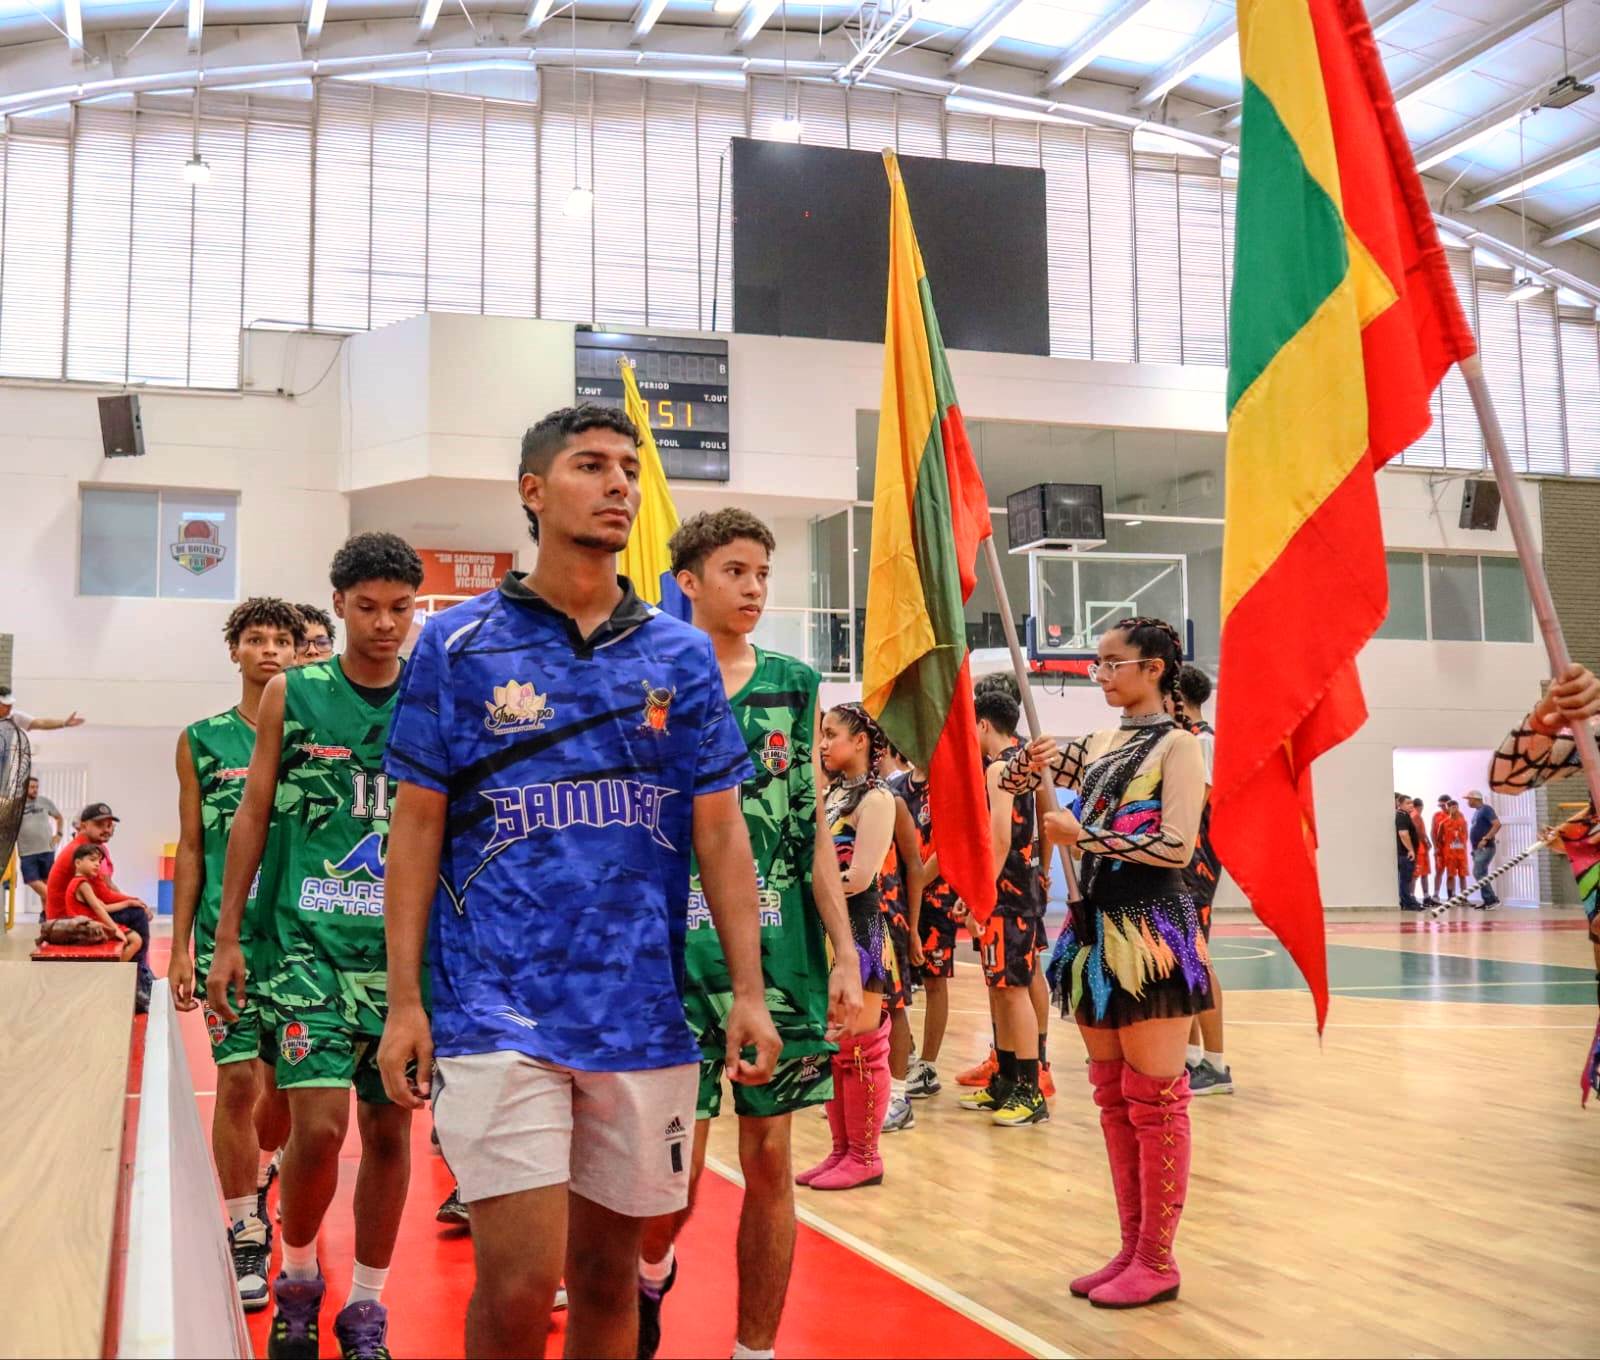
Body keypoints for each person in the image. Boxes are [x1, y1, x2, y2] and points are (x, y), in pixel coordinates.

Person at [374, 404, 781, 1360]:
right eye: (591, 465)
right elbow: (416, 828)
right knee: (519, 1286)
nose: (618, 486)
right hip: (494, 1009)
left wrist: (750, 990)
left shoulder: (679, 654)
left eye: (627, 469)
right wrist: (404, 1002)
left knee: (607, 1279)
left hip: (640, 1012)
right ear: (533, 490)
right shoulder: (456, 645)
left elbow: (721, 832)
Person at [635, 507, 862, 1360]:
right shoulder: (648, 682)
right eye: (736, 571)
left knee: (770, 1158)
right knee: (675, 1176)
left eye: (763, 573)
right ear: (688, 581)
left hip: (780, 961)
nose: (755, 588)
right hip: (669, 965)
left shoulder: (795, 686)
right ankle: (649, 1269)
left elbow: (810, 831)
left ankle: (754, 1350)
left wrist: (845, 952)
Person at [207, 532, 423, 1360]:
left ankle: (367, 1306)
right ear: (337, 605)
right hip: (305, 948)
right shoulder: (292, 693)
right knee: (322, 1127)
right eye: (367, 607)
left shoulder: (432, 697)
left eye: (400, 608)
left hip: (403, 957)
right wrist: (228, 934)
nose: (384, 623)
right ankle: (298, 1278)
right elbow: (253, 815)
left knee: (391, 1133)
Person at [1008, 616, 1209, 1308]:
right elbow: (1017, 781)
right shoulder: (1096, 743)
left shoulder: (1180, 746)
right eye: (1098, 663)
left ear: (1153, 668)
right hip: (1093, 930)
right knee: (1113, 1096)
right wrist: (1024, 763)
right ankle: (1130, 1247)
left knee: (1155, 1100)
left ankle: (1158, 1258)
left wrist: (1083, 835)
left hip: (1151, 930)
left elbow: (1178, 845)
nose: (1100, 675)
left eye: (1112, 663)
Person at [167, 597, 304, 1313]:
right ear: (235, 651)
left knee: (283, 1093)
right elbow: (192, 848)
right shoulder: (201, 739)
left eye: (282, 640)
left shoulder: (314, 736)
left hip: (302, 938)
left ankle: (262, 1165)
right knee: (237, 1080)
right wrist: (182, 945)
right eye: (256, 639)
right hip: (228, 941)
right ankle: (244, 1225)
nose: (270, 649)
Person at [803, 702, 898, 1192]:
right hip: (827, 932)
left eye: (831, 734)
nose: (823, 743)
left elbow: (860, 878)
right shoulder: (833, 794)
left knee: (860, 1048)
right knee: (836, 1047)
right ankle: (841, 1150)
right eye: (821, 734)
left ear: (860, 741)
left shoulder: (877, 800)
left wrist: (807, 889)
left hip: (859, 932)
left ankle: (865, 1156)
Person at [955, 687, 1049, 1127]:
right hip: (1016, 891)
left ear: (983, 724)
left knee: (1013, 991)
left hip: (1007, 896)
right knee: (1001, 990)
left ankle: (1030, 1091)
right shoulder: (1021, 763)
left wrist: (979, 894)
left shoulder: (999, 769)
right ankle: (1007, 1081)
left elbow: (1000, 839)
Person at [1172, 664, 1231, 1096]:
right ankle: (1191, 1057)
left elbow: (1195, 802)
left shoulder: (1203, 741)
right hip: (1179, 862)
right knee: (1181, 961)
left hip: (1197, 863)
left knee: (1196, 959)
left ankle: (1216, 1063)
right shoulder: (1183, 740)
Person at [46, 803, 153, 1009]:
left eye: (109, 825)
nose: (106, 829)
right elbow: (103, 896)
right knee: (137, 915)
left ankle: (138, 974)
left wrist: (132, 901)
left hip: (78, 914)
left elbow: (104, 892)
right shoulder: (81, 852)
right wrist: (134, 902)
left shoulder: (92, 848)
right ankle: (137, 982)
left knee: (135, 911)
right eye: (99, 825)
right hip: (69, 921)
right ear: (83, 825)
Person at [901, 761, 954, 1099]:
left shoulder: (946, 786)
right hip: (901, 896)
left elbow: (947, 847)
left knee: (935, 980)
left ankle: (928, 1064)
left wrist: (917, 881)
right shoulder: (898, 787)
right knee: (895, 981)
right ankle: (904, 1051)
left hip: (937, 899)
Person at [58, 843, 144, 963]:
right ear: (78, 863)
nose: (97, 864)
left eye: (99, 861)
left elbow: (104, 907)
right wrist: (115, 930)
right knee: (136, 940)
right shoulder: (82, 884)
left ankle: (117, 968)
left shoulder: (81, 883)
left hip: (90, 926)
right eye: (92, 860)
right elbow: (98, 909)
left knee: (133, 938)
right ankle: (115, 970)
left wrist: (128, 903)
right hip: (87, 929)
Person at [17, 776, 64, 911]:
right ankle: (59, 902)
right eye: (32, 787)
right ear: (24, 789)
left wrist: (59, 834)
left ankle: (47, 915)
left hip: (46, 849)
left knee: (46, 883)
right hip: (27, 851)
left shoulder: (44, 801)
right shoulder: (17, 805)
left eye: (36, 787)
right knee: (31, 880)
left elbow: (59, 817)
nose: (35, 790)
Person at [1465, 790, 1501, 909]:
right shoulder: (1477, 812)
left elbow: (1497, 824)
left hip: (1486, 847)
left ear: (1476, 799)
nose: (1468, 802)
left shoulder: (1486, 809)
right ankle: (1488, 900)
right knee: (1482, 873)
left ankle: (1491, 900)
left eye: (1469, 799)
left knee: (1478, 873)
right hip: (1478, 849)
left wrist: (1486, 838)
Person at [0, 686, 87, 732]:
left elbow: (41, 723)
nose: (9, 708)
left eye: (10, 705)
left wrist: (64, 723)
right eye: (5, 705)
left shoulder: (15, 716)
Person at [1440, 798, 1470, 900]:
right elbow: (1439, 839)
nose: (1455, 809)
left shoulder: (1463, 822)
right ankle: (1450, 896)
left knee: (1463, 875)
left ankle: (1464, 897)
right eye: (1452, 808)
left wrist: (1461, 845)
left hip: (1461, 853)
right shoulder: (1444, 823)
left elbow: (1466, 836)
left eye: (1456, 807)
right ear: (1448, 809)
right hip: (1450, 854)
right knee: (1450, 875)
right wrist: (1446, 848)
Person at [1394, 793, 1421, 909]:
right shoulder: (1401, 816)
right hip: (1405, 854)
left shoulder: (1405, 815)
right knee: (1405, 879)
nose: (1411, 805)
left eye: (1412, 803)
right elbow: (1403, 834)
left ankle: (1407, 901)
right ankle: (1407, 903)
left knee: (1407, 878)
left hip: (1406, 854)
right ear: (1399, 804)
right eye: (1408, 803)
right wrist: (1410, 850)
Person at [1410, 798, 1435, 908]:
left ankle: (1426, 897)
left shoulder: (1414, 815)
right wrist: (1427, 842)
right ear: (1421, 806)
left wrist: (1427, 842)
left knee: (1424, 873)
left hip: (1422, 849)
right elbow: (1419, 832)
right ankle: (1411, 897)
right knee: (1415, 874)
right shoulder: (1416, 815)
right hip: (1419, 849)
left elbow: (1421, 832)